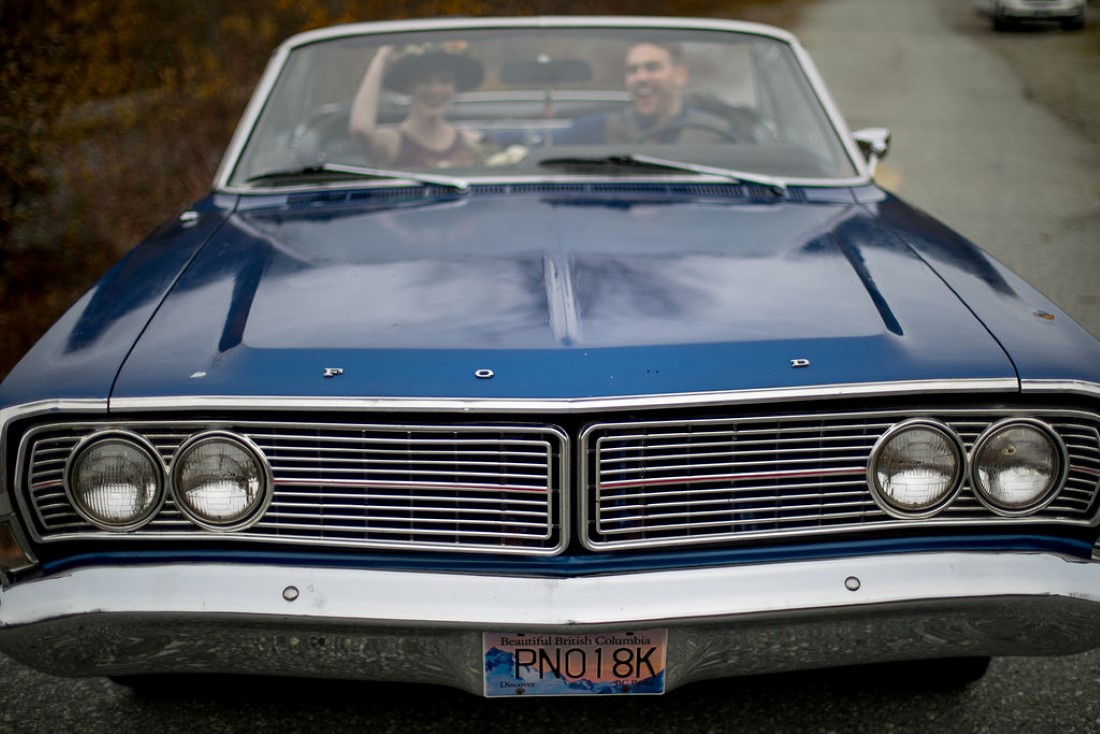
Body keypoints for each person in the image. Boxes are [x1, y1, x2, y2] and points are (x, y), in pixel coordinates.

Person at [565, 41, 734, 145]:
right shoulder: (598, 130)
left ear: (680, 75)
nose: (641, 78)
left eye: (652, 67)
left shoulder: (717, 134)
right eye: (632, 70)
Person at [349, 44, 486, 167]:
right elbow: (361, 129)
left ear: (455, 87)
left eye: (445, 81)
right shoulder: (393, 144)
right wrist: (381, 59)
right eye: (424, 80)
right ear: (409, 86)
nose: (435, 91)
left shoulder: (472, 142)